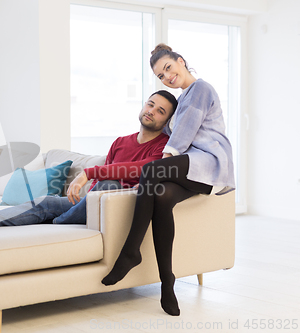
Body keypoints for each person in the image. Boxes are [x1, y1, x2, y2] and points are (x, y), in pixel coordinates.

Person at [101, 44, 235, 316]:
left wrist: (164, 158)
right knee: (161, 197)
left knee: (152, 171)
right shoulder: (183, 98)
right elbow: (168, 131)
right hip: (191, 168)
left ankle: (131, 252)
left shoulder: (200, 89)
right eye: (161, 76)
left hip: (210, 163)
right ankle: (167, 284)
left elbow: (183, 134)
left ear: (181, 62)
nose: (167, 77)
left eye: (168, 68)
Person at [0, 90, 178, 229]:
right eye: (151, 104)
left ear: (167, 121)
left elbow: (140, 169)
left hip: (113, 207)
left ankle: (56, 221)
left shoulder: (164, 148)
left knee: (110, 185)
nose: (151, 111)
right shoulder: (120, 141)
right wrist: (89, 185)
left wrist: (90, 173)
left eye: (160, 111)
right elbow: (106, 174)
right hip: (89, 202)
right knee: (46, 201)